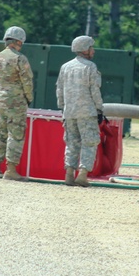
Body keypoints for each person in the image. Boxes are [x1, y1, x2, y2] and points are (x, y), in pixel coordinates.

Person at [56, 35, 105, 187]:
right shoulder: (90, 67)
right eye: (91, 47)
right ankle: (83, 174)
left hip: (69, 112)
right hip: (87, 112)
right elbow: (94, 91)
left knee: (71, 143)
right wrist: (99, 108)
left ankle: (69, 173)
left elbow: (59, 89)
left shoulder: (65, 67)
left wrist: (63, 107)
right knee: (89, 142)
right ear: (85, 49)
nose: (93, 51)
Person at [0, 26, 34, 181]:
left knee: (0, 134)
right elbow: (27, 82)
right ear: (18, 42)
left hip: (1, 101)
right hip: (16, 103)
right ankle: (11, 169)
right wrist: (28, 98)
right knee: (15, 135)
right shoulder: (20, 59)